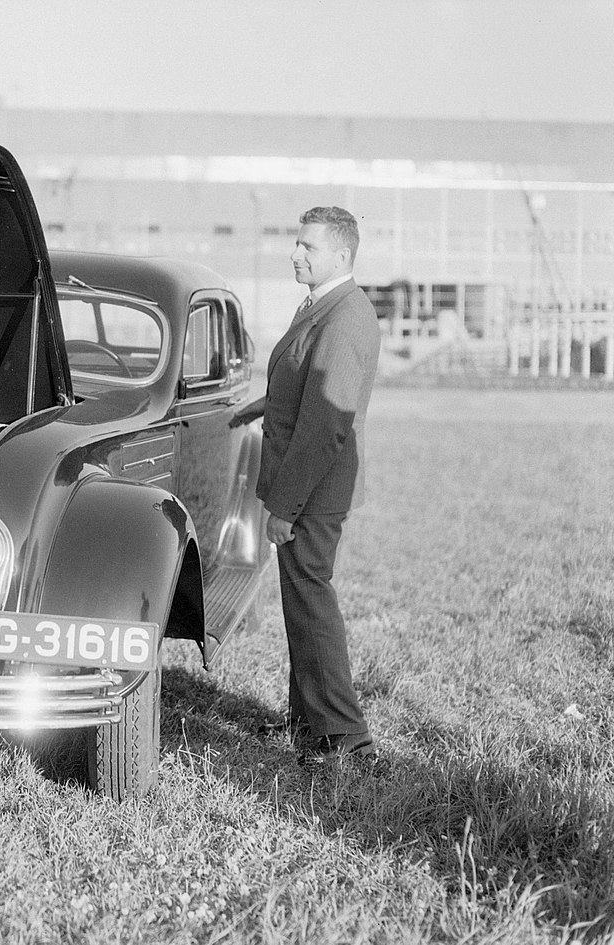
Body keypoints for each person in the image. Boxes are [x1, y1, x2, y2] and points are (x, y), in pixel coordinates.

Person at [230, 206, 381, 766]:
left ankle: (346, 735)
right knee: (300, 598)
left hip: (314, 491)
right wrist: (257, 408)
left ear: (340, 255)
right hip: (309, 484)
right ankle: (307, 721)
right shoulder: (324, 305)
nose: (295, 254)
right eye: (296, 244)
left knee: (312, 599)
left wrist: (285, 507)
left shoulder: (344, 318)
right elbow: (303, 384)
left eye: (307, 247)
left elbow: (326, 425)